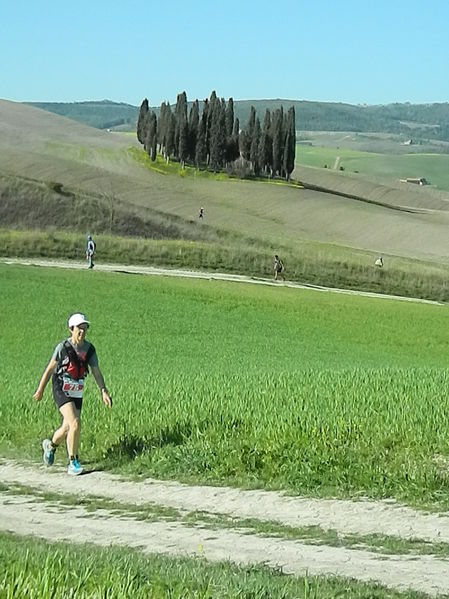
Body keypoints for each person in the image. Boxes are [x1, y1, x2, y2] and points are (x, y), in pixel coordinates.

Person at [32, 313, 112, 475]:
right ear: (71, 329)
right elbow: (49, 370)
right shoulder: (62, 347)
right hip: (61, 386)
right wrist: (40, 390)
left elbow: (96, 372)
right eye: (79, 328)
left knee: (68, 426)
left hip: (76, 388)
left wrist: (103, 391)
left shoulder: (89, 349)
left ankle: (50, 446)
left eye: (84, 328)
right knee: (75, 422)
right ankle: (73, 461)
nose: (82, 332)